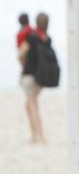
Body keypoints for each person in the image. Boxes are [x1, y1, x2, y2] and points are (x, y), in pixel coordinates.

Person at [17, 13, 50, 144]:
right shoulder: (47, 38)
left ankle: (40, 137)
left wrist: (24, 65)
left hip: (29, 74)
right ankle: (34, 136)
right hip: (41, 76)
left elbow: (20, 53)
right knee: (30, 105)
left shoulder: (31, 37)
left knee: (32, 105)